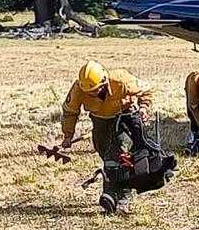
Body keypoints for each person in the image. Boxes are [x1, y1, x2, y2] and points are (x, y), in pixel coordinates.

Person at [60, 60, 153, 213]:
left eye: (95, 90)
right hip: (100, 121)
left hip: (124, 116)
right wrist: (68, 135)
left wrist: (144, 107)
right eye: (89, 92)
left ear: (104, 82)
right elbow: (70, 112)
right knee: (104, 152)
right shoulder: (79, 89)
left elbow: (146, 90)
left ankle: (121, 194)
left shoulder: (122, 80)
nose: (92, 94)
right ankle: (113, 191)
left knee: (120, 153)